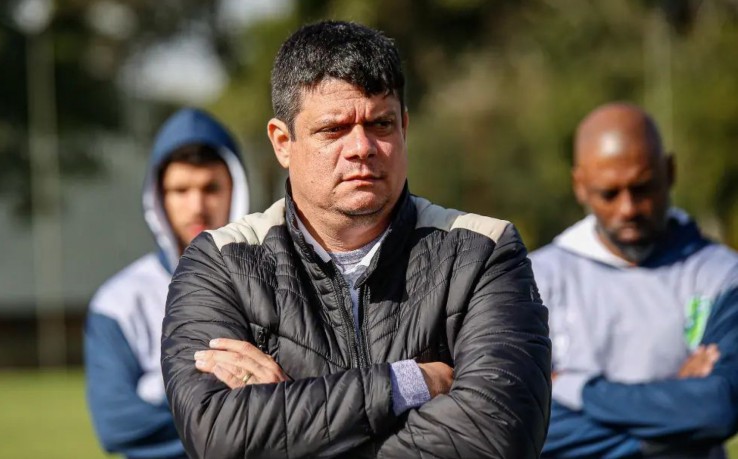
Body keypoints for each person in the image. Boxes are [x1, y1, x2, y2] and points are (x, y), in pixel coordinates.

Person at [161, 20, 550, 459]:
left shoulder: (483, 249)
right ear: (282, 142)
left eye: (380, 124)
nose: (361, 146)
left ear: (404, 126)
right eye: (333, 129)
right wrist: (411, 382)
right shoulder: (221, 262)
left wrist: (291, 417)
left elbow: (498, 437)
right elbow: (218, 436)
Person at [532, 102, 738, 458]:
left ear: (670, 171)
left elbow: (716, 409)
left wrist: (571, 387)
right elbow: (510, 424)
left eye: (643, 188)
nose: (628, 208)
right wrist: (671, 418)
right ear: (580, 186)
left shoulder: (722, 276)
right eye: (609, 193)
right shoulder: (530, 280)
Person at [85, 108, 250, 459]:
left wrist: (163, 396)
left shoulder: (280, 282)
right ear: (158, 197)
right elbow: (117, 425)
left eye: (211, 188)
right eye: (180, 189)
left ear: (235, 188)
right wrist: (243, 423)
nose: (197, 206)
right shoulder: (119, 302)